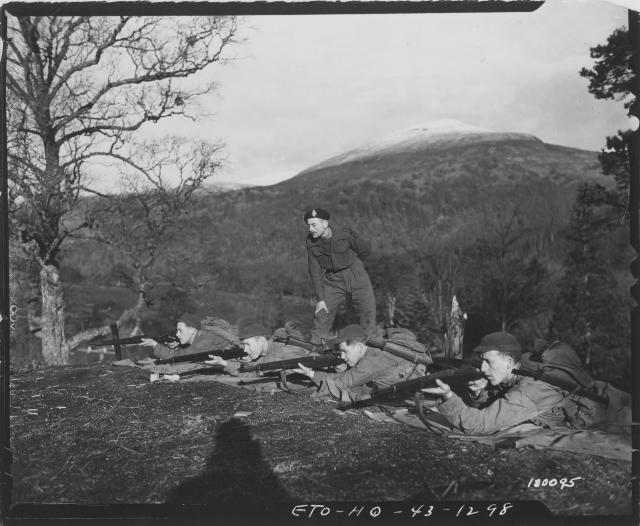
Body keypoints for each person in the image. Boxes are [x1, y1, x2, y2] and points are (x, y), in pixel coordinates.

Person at [421, 332, 581, 435]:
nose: (483, 368)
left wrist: (448, 397)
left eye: (488, 362)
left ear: (509, 361)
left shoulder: (529, 391)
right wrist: (479, 394)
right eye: (482, 361)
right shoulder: (517, 371)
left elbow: (479, 425)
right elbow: (495, 404)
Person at [293, 324, 424, 402]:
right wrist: (310, 373)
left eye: (345, 351)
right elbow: (349, 377)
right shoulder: (375, 351)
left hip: (418, 390)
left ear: (360, 347)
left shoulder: (370, 362)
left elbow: (340, 383)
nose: (342, 357)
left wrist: (312, 374)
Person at [304, 207, 376, 345]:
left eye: (314, 225)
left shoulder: (344, 233)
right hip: (332, 280)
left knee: (367, 314)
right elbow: (314, 270)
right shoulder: (310, 241)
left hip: (356, 275)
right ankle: (316, 351)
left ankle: (369, 350)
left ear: (325, 224)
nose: (310, 229)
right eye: (309, 225)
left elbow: (365, 251)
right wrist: (320, 298)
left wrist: (354, 265)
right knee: (322, 313)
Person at [205, 320, 314, 376]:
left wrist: (223, 363)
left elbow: (252, 372)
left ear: (261, 339)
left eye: (248, 344)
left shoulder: (279, 352)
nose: (245, 350)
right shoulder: (277, 344)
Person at [139, 313, 231, 360]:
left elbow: (178, 357)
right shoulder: (202, 336)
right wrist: (177, 347)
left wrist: (154, 345)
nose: (177, 334)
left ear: (192, 329)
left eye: (180, 331)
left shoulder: (201, 343)